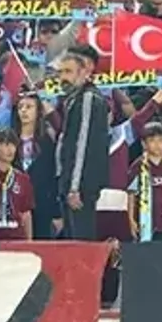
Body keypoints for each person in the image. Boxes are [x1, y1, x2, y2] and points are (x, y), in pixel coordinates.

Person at [53, 45, 110, 240]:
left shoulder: (88, 98)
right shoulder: (72, 99)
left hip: (81, 187)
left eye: (68, 71)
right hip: (69, 183)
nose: (63, 77)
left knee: (81, 242)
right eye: (61, 72)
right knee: (72, 244)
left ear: (84, 73)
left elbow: (82, 144)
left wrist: (74, 187)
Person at [0, 128, 34, 240]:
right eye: (5, 144)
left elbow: (26, 214)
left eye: (13, 145)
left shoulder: (23, 179)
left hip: (16, 238)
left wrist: (29, 241)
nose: (10, 149)